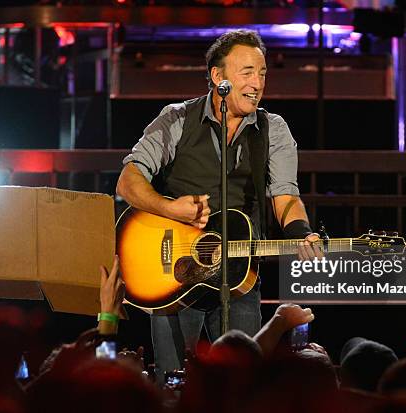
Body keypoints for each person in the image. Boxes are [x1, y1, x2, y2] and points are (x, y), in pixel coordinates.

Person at [116, 29, 321, 382]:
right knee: (173, 381)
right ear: (218, 77)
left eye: (262, 73)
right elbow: (128, 181)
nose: (257, 83)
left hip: (241, 276)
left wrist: (301, 233)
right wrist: (171, 209)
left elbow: (285, 196)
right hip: (173, 277)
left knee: (244, 382)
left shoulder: (274, 130)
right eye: (247, 72)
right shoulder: (176, 119)